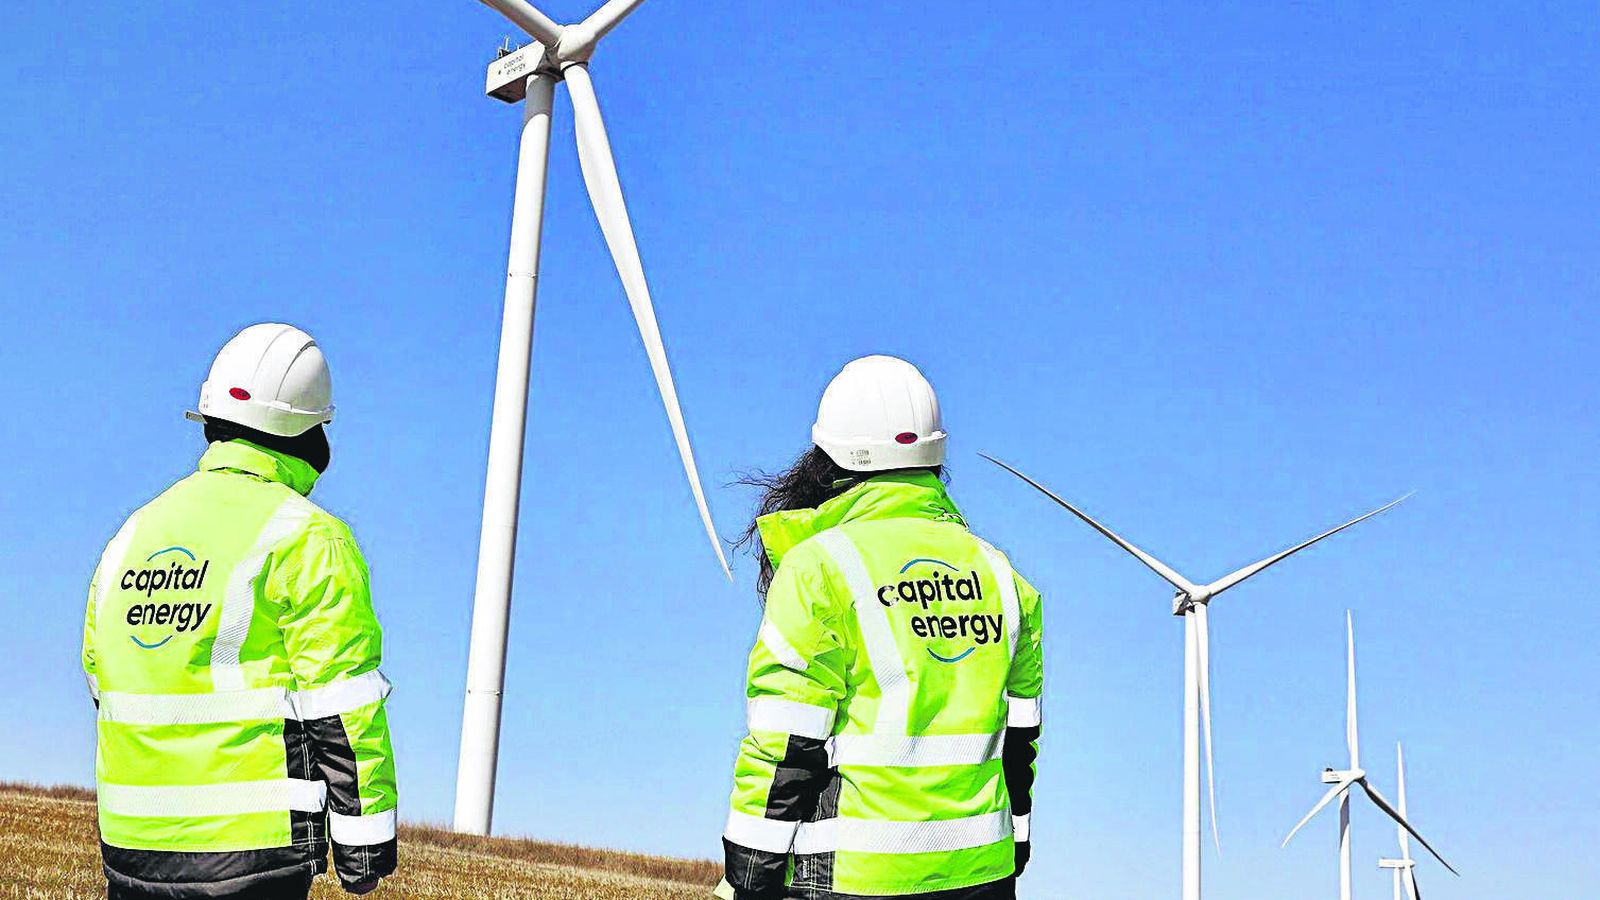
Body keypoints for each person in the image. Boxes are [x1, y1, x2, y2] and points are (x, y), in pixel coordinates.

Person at [82, 324, 398, 899]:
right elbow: (342, 707)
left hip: (129, 849)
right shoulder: (308, 538)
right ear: (306, 430)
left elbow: (104, 681)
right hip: (247, 852)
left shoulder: (132, 534)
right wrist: (365, 845)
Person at [718, 356, 1044, 900]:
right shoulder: (1002, 576)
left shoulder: (820, 568)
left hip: (855, 877)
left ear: (828, 457)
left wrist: (749, 878)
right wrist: (1015, 847)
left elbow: (786, 745)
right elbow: (1020, 743)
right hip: (983, 875)